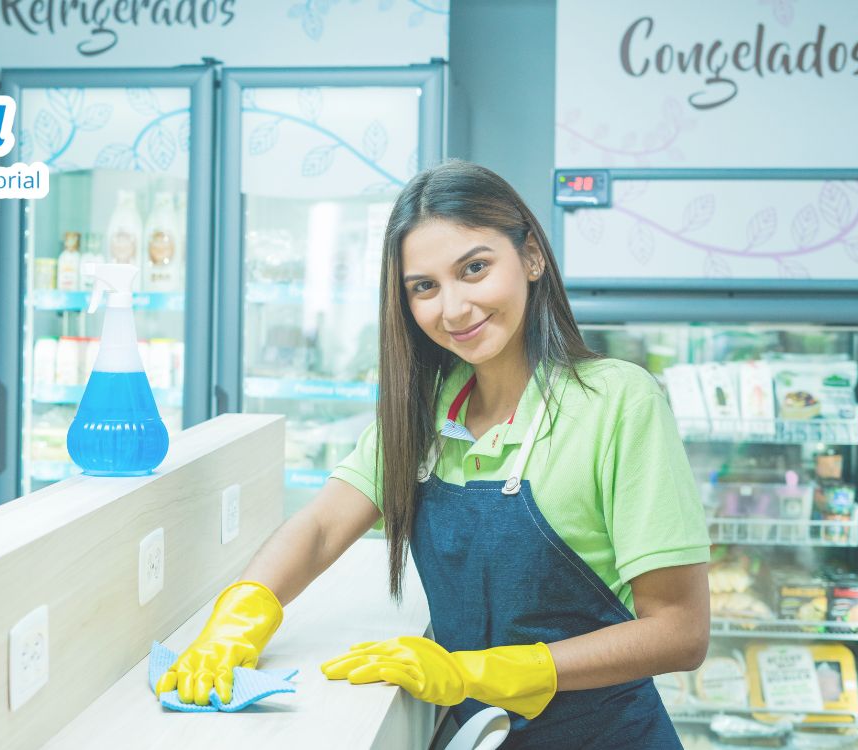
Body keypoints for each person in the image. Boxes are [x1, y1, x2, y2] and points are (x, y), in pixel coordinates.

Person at [155, 160, 710, 747]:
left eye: (475, 268)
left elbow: (679, 630)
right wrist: (239, 619)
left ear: (531, 258)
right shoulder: (426, 409)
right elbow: (320, 527)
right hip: (479, 735)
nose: (453, 309)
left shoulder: (617, 402)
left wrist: (482, 670)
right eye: (424, 286)